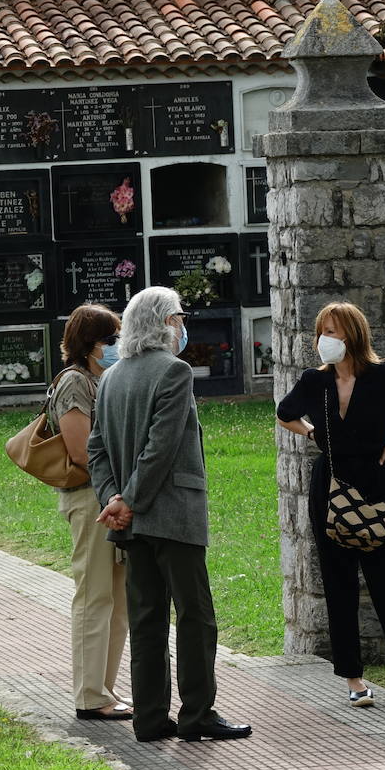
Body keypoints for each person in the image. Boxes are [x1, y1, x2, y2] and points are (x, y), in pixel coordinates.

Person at [87, 287, 250, 742]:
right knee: (196, 618)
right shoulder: (175, 371)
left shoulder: (113, 377)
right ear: (162, 323)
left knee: (147, 619)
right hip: (171, 514)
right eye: (179, 317)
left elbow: (95, 449)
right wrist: (130, 500)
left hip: (131, 522)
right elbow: (162, 446)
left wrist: (112, 500)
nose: (183, 325)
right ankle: (198, 715)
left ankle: (151, 718)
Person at [276, 302, 385, 709]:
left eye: (333, 332)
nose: (325, 340)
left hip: (374, 483)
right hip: (331, 484)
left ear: (352, 335)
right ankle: (353, 677)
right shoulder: (314, 380)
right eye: (322, 331)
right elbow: (285, 412)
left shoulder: (383, 376)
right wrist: (311, 433)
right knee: (339, 581)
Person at [51, 304, 130, 721]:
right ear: (89, 343)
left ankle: (105, 688)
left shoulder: (104, 378)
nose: (116, 346)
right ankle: (88, 696)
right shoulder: (74, 383)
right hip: (89, 499)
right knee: (94, 595)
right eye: (110, 339)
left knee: (118, 601)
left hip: (111, 498)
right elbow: (81, 451)